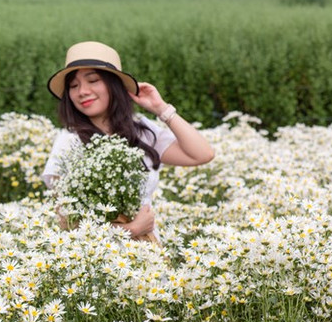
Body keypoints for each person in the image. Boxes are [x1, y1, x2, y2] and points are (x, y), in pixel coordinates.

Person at [42, 41, 214, 240]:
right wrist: (131, 230)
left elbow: (202, 154)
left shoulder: (141, 130)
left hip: (148, 252)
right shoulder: (69, 140)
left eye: (93, 80)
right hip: (97, 258)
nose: (82, 91)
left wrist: (161, 108)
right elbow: (67, 221)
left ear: (113, 85)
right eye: (73, 85)